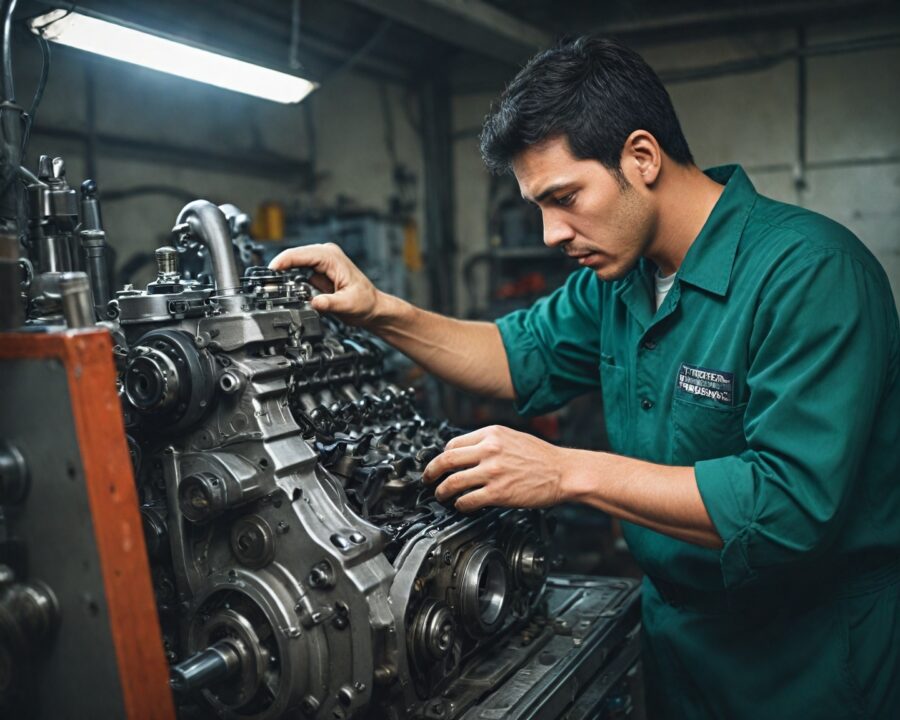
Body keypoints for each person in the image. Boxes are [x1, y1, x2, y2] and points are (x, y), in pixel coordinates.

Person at [270, 36, 899, 720]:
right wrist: (382, 311)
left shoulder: (809, 274)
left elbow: (788, 505)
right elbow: (514, 356)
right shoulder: (619, 281)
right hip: (679, 641)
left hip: (807, 660)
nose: (550, 233)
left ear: (641, 157)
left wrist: (568, 472)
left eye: (564, 196)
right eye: (539, 206)